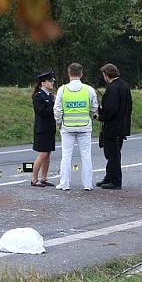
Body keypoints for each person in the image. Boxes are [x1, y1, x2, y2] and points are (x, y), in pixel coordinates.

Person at [53, 63, 99, 191]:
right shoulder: (89, 90)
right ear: (81, 74)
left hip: (67, 127)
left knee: (66, 155)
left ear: (69, 73)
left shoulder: (62, 89)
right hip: (84, 126)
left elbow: (57, 109)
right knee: (86, 155)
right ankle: (87, 184)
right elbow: (94, 108)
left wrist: (59, 122)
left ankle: (64, 183)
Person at [97, 63, 132, 190]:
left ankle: (116, 181)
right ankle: (109, 176)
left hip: (113, 126)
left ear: (106, 75)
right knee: (114, 153)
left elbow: (111, 109)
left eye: (103, 75)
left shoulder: (112, 88)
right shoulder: (124, 85)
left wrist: (101, 116)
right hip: (122, 125)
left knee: (112, 154)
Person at [31, 69, 57, 187]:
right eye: (50, 81)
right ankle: (34, 179)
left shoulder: (50, 96)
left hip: (50, 128)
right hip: (42, 128)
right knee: (43, 154)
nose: (52, 83)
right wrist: (54, 104)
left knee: (48, 154)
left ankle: (44, 178)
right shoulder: (38, 96)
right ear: (43, 83)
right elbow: (41, 112)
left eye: (52, 81)